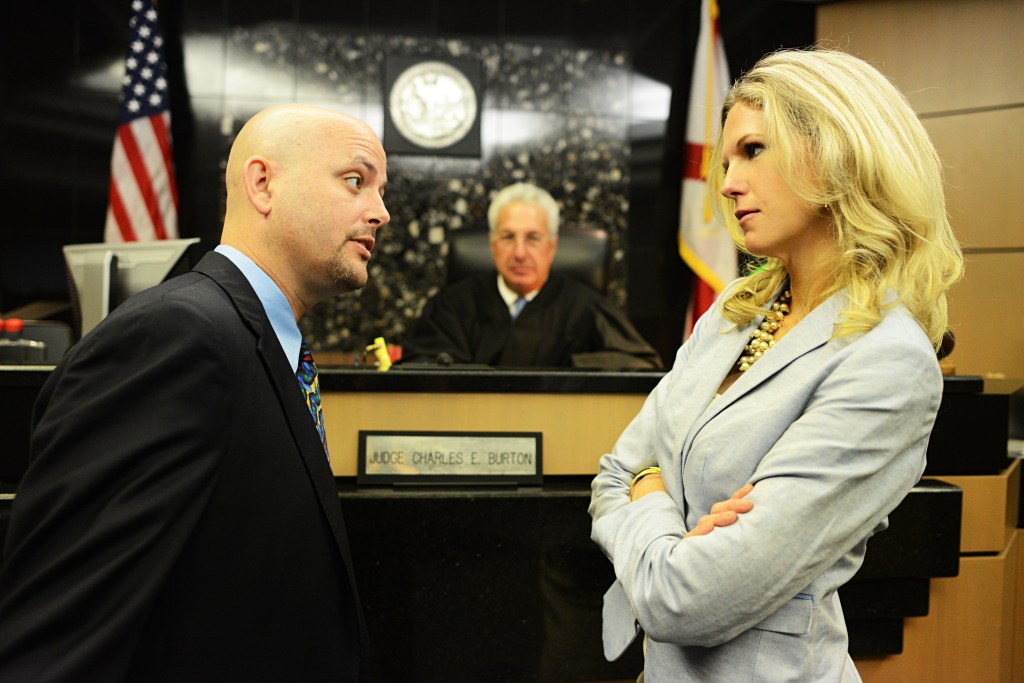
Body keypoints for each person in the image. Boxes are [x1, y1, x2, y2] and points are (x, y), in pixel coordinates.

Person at [589, 48, 963, 682]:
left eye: (753, 151)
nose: (728, 181)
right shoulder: (736, 312)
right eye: (727, 159)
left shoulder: (889, 362)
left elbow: (685, 602)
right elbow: (613, 472)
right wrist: (671, 526)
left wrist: (651, 497)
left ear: (836, 155)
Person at [0, 104, 390, 681]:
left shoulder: (256, 339)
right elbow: (61, 634)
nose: (380, 212)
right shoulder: (175, 336)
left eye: (382, 191)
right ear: (263, 184)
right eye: (356, 181)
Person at [401, 182, 663, 369]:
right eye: (508, 237)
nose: (520, 253)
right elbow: (421, 365)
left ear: (552, 246)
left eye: (533, 239)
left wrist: (569, 368)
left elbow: (641, 364)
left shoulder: (585, 308)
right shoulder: (454, 305)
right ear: (492, 245)